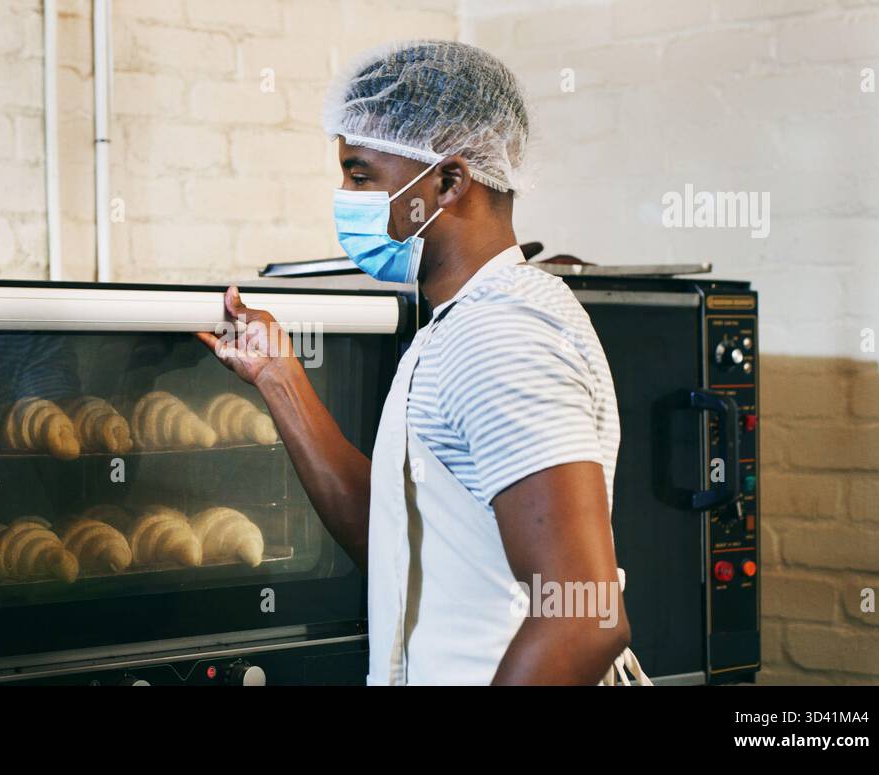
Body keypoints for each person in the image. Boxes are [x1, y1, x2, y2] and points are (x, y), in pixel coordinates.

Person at [198, 40, 630, 685]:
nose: (346, 197)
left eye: (362, 174)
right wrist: (279, 377)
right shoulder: (455, 324)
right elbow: (392, 541)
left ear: (449, 182)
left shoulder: (502, 334)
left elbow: (584, 616)